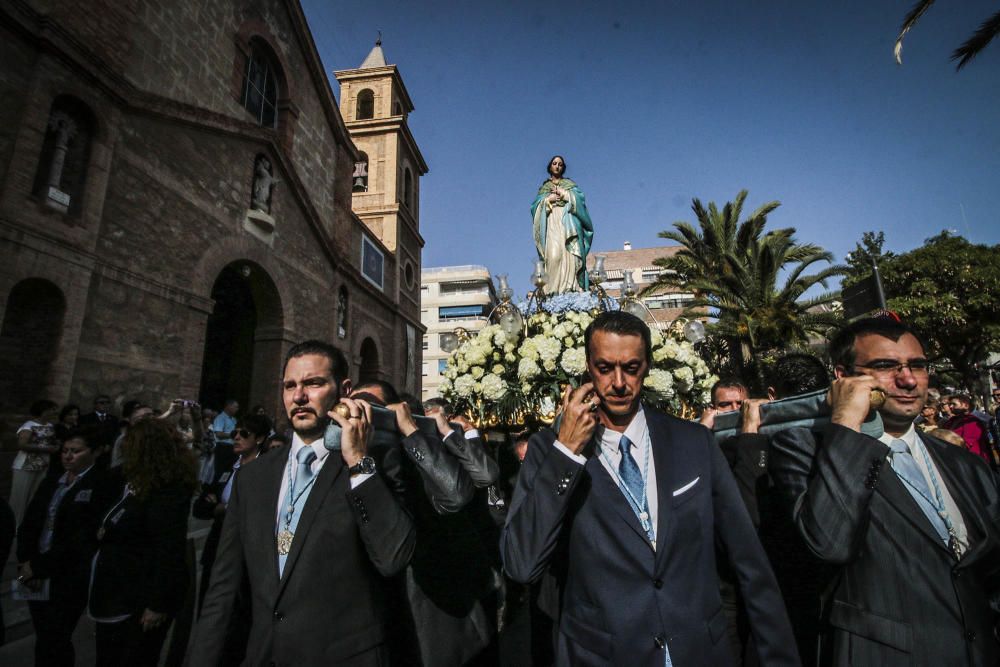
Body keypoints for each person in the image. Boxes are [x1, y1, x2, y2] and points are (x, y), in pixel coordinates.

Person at [502, 311, 797, 666]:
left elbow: (748, 558)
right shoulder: (549, 451)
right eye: (605, 367)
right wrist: (566, 454)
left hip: (700, 651)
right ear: (587, 367)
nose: (618, 382)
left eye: (630, 367)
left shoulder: (694, 443)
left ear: (647, 366)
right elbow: (521, 564)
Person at [768, 316, 1000, 665]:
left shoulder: (964, 464)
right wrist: (847, 421)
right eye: (885, 366)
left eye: (917, 366)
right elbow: (829, 543)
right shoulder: (805, 450)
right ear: (844, 376)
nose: (907, 380)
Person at [191, 340, 415, 666]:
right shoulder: (253, 478)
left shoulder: (373, 465)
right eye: (290, 386)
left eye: (313, 383)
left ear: (344, 389)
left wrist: (358, 463)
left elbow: (393, 556)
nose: (298, 397)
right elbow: (223, 590)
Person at [88, 418, 198, 666]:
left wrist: (157, 604)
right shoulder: (126, 478)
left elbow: (168, 548)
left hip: (143, 591)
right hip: (117, 587)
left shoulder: (169, 488)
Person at [17, 426, 114, 666]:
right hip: (34, 569)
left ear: (94, 452)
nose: (68, 456)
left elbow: (82, 537)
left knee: (57, 635)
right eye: (65, 451)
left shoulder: (101, 485)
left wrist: (42, 565)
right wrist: (26, 561)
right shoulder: (53, 480)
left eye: (76, 451)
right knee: (44, 636)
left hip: (67, 574)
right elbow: (31, 521)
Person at [192, 413, 270, 665]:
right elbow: (202, 506)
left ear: (259, 439)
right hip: (216, 549)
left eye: (243, 434)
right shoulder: (228, 466)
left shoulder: (268, 470)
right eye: (235, 432)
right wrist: (219, 509)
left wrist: (226, 507)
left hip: (248, 557)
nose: (236, 437)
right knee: (210, 611)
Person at [531, 155, 594, 293]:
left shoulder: (570, 186)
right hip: (551, 221)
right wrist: (548, 199)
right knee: (553, 256)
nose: (557, 166)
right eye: (554, 163)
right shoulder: (544, 188)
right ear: (550, 166)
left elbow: (580, 201)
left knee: (569, 255)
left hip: (568, 222)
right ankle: (551, 293)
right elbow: (534, 208)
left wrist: (565, 194)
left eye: (560, 164)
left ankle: (570, 289)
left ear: (563, 167)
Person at [10, 399, 61, 525]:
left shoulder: (50, 426)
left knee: (34, 496)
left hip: (42, 464)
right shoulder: (28, 425)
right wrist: (44, 449)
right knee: (19, 498)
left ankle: (26, 523)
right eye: (51, 409)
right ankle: (14, 523)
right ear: (44, 411)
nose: (54, 412)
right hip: (26, 464)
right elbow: (22, 444)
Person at [942, 393, 990, 462]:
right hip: (955, 458)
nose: (951, 407)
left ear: (966, 405)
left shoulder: (972, 421)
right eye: (950, 404)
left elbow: (966, 444)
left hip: (972, 461)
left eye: (954, 404)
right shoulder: (950, 421)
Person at [79, 394, 119, 465]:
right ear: (95, 405)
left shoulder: (114, 419)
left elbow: (116, 434)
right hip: (92, 451)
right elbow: (84, 434)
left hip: (108, 453)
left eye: (107, 402)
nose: (105, 405)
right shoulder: (86, 418)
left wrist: (109, 444)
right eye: (102, 403)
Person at [210, 399, 239, 473]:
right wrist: (232, 435)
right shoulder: (220, 418)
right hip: (223, 447)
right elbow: (218, 434)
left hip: (232, 447)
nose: (237, 409)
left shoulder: (234, 419)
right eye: (235, 407)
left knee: (228, 471)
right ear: (228, 406)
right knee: (221, 470)